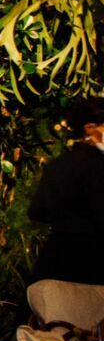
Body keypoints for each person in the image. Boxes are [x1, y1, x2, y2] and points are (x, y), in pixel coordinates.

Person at [28, 96, 104, 284]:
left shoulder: (58, 164)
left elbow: (38, 211)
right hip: (93, 262)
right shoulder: (98, 166)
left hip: (56, 258)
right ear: (90, 128)